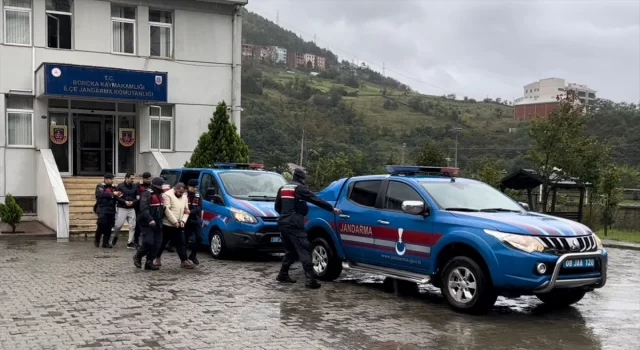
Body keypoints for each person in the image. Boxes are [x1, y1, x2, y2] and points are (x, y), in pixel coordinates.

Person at [274, 168, 341, 289]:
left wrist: (285, 216)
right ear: (302, 178)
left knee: (291, 250)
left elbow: (277, 207)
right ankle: (310, 280)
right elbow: (315, 200)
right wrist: (331, 209)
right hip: (294, 223)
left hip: (283, 222)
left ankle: (283, 274)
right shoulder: (300, 188)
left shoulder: (283, 188)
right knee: (304, 249)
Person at [154, 183, 195, 269]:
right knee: (162, 242)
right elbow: (167, 210)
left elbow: (186, 210)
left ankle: (184, 260)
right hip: (168, 224)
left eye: (183, 192)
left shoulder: (184, 196)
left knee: (181, 243)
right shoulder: (167, 195)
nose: (181, 194)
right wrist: (175, 222)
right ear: (175, 189)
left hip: (179, 224)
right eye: (180, 192)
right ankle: (157, 257)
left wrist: (183, 220)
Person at [133, 177, 165, 270]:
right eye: (160, 185)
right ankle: (138, 256)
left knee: (158, 243)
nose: (161, 187)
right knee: (148, 242)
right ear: (155, 185)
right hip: (146, 222)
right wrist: (150, 219)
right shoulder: (147, 194)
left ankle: (149, 262)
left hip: (158, 221)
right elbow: (144, 208)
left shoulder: (160, 195)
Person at [112, 172, 138, 248]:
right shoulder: (120, 186)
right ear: (126, 178)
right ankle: (115, 236)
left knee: (132, 226)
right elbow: (117, 197)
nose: (133, 180)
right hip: (122, 207)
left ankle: (130, 242)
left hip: (131, 208)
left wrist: (133, 202)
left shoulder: (135, 186)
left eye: (133, 178)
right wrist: (124, 201)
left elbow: (138, 197)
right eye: (131, 178)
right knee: (118, 225)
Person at [95, 173, 121, 248]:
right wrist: (113, 194)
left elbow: (116, 197)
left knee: (109, 226)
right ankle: (97, 240)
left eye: (113, 179)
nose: (112, 181)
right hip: (102, 208)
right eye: (111, 179)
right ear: (106, 179)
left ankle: (105, 242)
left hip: (111, 209)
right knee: (101, 224)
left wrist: (119, 195)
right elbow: (101, 195)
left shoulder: (114, 187)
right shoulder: (100, 186)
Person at [184, 179, 203, 265]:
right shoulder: (183, 194)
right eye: (193, 187)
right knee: (185, 240)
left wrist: (191, 212)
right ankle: (184, 259)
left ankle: (193, 255)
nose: (195, 189)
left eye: (196, 187)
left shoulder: (198, 195)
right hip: (186, 221)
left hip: (196, 219)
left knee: (199, 238)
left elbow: (199, 207)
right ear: (188, 187)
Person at [133, 172, 152, 249]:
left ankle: (147, 241)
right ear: (143, 178)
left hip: (149, 208)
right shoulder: (138, 185)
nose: (148, 180)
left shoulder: (151, 186)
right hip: (139, 208)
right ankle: (136, 241)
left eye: (149, 178)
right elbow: (136, 195)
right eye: (147, 178)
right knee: (138, 226)